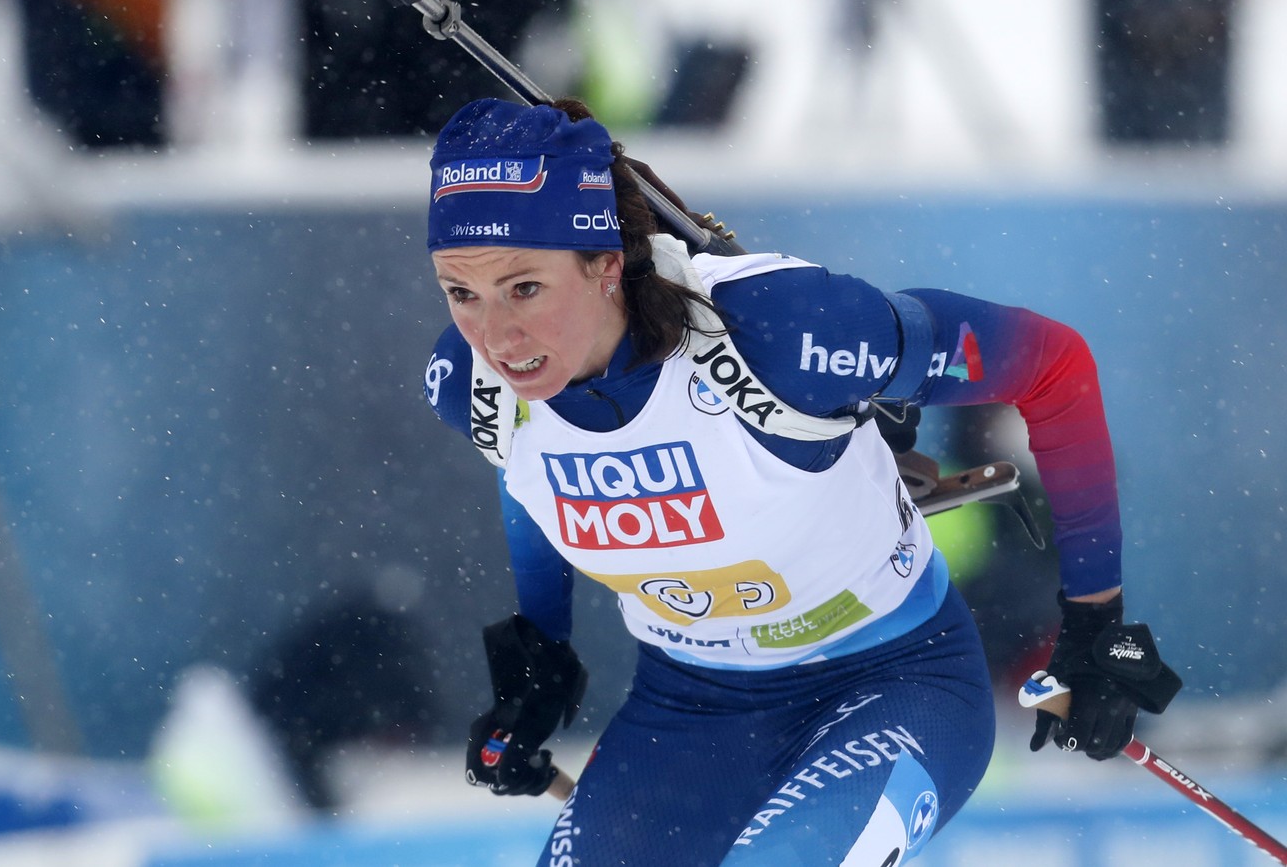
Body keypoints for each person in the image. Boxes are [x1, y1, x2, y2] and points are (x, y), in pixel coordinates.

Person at [418, 97, 1182, 866]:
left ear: (606, 261)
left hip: (892, 684)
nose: (496, 336)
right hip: (689, 712)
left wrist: (1094, 622)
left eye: (524, 288)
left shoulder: (783, 334)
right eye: (461, 293)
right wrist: (539, 652)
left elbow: (1054, 366)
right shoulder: (475, 388)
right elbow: (529, 473)